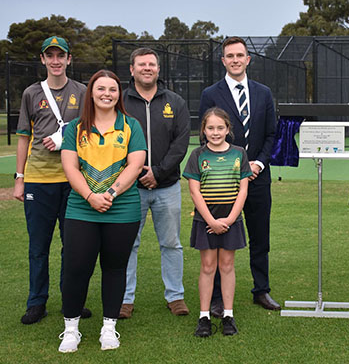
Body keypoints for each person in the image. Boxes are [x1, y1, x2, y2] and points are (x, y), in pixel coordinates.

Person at [58, 70, 146, 352]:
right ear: (91, 93)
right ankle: (71, 329)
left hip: (122, 208)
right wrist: (89, 196)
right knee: (76, 268)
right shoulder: (74, 128)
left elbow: (135, 165)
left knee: (115, 268)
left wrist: (109, 194)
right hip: (81, 209)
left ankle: (109, 328)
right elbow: (70, 167)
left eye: (112, 89)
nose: (107, 94)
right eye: (101, 89)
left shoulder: (131, 125)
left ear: (119, 94)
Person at [14, 36, 92, 324]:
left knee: (72, 245)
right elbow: (23, 138)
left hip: (73, 180)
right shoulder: (31, 93)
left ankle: (70, 300)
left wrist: (63, 137)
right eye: (51, 56)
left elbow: (90, 129)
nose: (56, 61)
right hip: (38, 179)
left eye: (61, 56)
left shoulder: (82, 91)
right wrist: (20, 178)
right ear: (43, 59)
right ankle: (36, 302)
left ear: (69, 59)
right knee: (38, 245)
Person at [199, 37, 278, 315]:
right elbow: (206, 136)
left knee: (260, 235)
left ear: (248, 59)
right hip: (222, 181)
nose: (235, 60)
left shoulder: (263, 92)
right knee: (220, 234)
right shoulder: (211, 93)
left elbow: (271, 133)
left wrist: (257, 164)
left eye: (240, 55)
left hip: (257, 177)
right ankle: (218, 297)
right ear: (223, 61)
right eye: (229, 56)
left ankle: (261, 290)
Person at [120, 47, 191, 319]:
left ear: (158, 69)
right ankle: (125, 299)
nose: (147, 68)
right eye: (141, 64)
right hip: (129, 188)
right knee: (128, 244)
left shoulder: (175, 101)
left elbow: (181, 143)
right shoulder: (121, 100)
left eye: (151, 64)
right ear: (132, 69)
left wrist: (158, 172)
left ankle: (175, 296)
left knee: (171, 243)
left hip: (168, 186)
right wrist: (135, 172)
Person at [184, 108, 252, 337]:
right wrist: (211, 221)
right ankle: (204, 316)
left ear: (228, 129)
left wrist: (231, 219)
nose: (215, 132)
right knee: (208, 266)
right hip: (206, 220)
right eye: (210, 128)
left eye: (220, 128)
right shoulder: (197, 155)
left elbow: (243, 190)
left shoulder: (239, 153)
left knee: (227, 266)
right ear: (203, 130)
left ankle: (228, 315)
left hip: (231, 219)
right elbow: (194, 191)